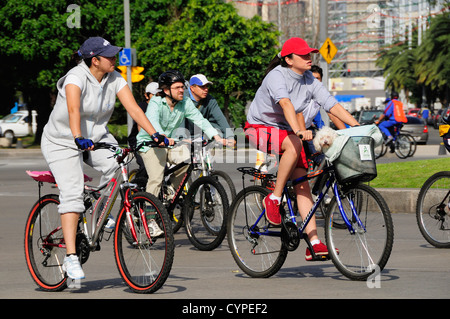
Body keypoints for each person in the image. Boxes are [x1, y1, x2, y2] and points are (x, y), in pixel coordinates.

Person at [41, 37, 163, 280]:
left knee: (119, 166)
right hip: (63, 141)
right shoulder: (75, 78)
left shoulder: (115, 78)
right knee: (73, 193)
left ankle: (100, 213)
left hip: (96, 138)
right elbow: (74, 110)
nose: (114, 58)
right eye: (109, 55)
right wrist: (77, 136)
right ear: (94, 60)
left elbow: (135, 109)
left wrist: (155, 133)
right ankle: (71, 258)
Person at [245, 37, 359, 261]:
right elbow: (286, 104)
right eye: (304, 55)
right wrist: (297, 131)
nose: (309, 58)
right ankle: (274, 199)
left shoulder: (309, 78)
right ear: (288, 59)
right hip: (259, 127)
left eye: (310, 54)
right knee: (295, 144)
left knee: (303, 185)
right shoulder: (276, 75)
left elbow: (331, 103)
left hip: (287, 133)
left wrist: (356, 126)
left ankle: (314, 242)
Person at [136, 70, 227, 197]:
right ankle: (149, 210)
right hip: (150, 144)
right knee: (156, 177)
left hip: (171, 143)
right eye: (177, 87)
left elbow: (200, 120)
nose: (181, 90)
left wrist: (216, 136)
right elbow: (153, 121)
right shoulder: (156, 102)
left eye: (182, 87)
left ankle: (171, 191)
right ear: (167, 90)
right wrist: (163, 136)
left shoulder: (185, 102)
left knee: (187, 160)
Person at [185, 74, 235, 147]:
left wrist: (230, 137)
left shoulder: (210, 100)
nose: (206, 89)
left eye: (207, 86)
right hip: (183, 132)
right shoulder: (183, 98)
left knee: (218, 132)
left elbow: (220, 119)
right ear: (192, 88)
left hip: (201, 132)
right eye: (202, 87)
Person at [127, 82, 162, 187]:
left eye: (160, 95)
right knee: (145, 165)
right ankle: (137, 188)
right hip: (139, 140)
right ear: (146, 95)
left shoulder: (162, 106)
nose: (158, 98)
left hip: (157, 140)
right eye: (155, 95)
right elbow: (140, 127)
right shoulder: (142, 106)